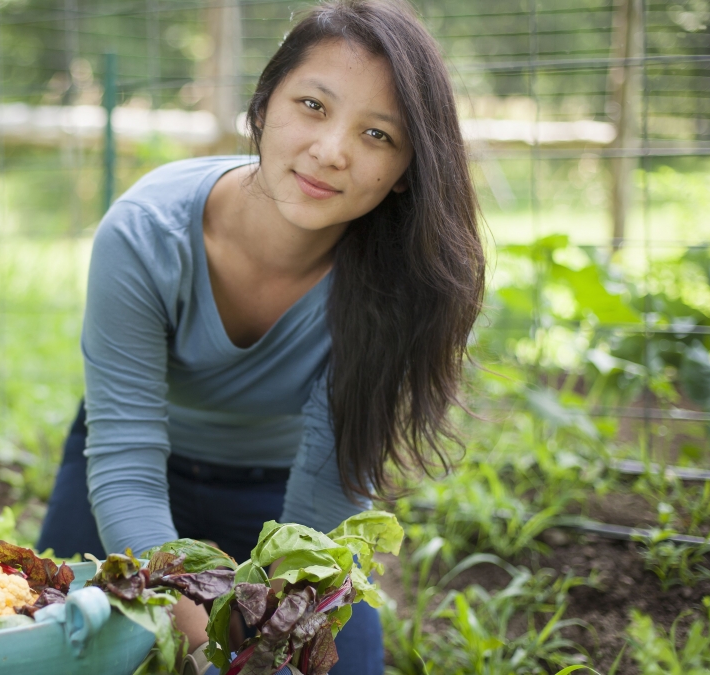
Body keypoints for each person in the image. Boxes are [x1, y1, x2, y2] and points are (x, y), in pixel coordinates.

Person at [38, 1, 485, 673]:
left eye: (378, 136)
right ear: (264, 101)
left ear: (405, 173)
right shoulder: (143, 233)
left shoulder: (399, 281)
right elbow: (126, 466)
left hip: (279, 491)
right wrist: (212, 650)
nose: (331, 150)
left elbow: (322, 500)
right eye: (312, 104)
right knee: (69, 651)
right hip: (137, 475)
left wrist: (269, 645)